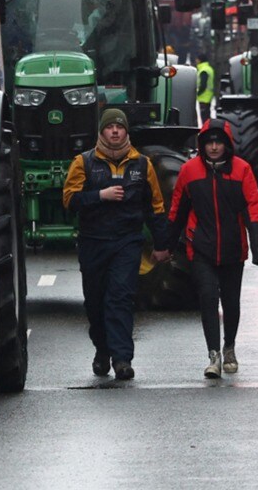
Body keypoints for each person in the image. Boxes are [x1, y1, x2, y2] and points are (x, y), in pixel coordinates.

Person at [62, 108, 170, 380]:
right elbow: (70, 200)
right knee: (95, 301)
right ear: (101, 132)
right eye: (109, 127)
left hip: (127, 242)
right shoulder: (83, 162)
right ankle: (102, 351)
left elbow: (155, 207)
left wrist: (161, 244)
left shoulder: (142, 165)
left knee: (120, 298)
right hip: (93, 242)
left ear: (126, 132)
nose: (114, 131)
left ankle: (122, 359)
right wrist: (101, 195)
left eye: (119, 127)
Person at [164, 118, 258, 379]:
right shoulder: (189, 171)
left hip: (233, 249)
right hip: (201, 248)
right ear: (202, 144)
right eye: (209, 142)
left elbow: (254, 209)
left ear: (227, 145)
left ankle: (229, 347)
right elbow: (177, 211)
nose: (213, 147)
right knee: (208, 298)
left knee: (231, 302)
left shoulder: (242, 170)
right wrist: (165, 245)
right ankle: (214, 355)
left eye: (218, 142)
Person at [196, 51, 215, 123]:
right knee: (207, 116)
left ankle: (206, 129)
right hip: (208, 95)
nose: (196, 61)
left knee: (204, 117)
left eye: (197, 59)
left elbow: (203, 84)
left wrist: (198, 93)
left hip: (204, 96)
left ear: (200, 60)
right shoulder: (208, 68)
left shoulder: (203, 70)